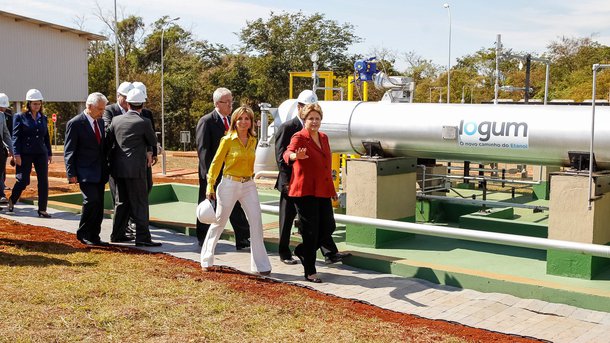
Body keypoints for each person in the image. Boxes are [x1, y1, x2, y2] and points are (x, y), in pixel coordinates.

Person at [274, 90, 349, 265]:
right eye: (305, 106)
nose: (313, 117)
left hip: (313, 185)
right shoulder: (288, 127)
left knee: (319, 221)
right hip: (292, 183)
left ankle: (328, 252)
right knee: (287, 219)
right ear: (299, 107)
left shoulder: (319, 132)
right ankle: (284, 252)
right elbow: (282, 156)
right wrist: (286, 182)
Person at [200, 106, 271, 275]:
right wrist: (210, 186)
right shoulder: (227, 140)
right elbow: (216, 164)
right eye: (240, 118)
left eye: (247, 119)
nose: (243, 122)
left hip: (248, 184)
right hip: (229, 184)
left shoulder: (253, 140)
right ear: (234, 121)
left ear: (251, 122)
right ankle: (206, 258)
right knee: (219, 222)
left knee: (256, 221)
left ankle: (260, 265)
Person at [283, 103, 336, 283]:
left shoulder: (324, 137)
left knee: (329, 226)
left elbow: (326, 166)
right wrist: (294, 157)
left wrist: (332, 190)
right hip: (304, 191)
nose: (314, 121)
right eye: (311, 118)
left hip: (322, 189)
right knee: (310, 231)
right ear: (304, 120)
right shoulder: (299, 137)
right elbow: (287, 152)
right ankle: (310, 271)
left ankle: (303, 251)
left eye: (317, 118)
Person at [195, 88, 250, 249]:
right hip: (212, 173)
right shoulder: (207, 121)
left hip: (231, 173)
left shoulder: (232, 122)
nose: (230, 105)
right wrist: (209, 177)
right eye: (227, 102)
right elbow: (203, 150)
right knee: (208, 205)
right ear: (217, 103)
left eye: (231, 101)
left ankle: (243, 238)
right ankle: (203, 237)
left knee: (235, 205)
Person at [106, 88, 161, 247]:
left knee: (121, 202)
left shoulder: (116, 120)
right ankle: (143, 237)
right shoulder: (144, 122)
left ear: (128, 103)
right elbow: (151, 140)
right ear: (142, 104)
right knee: (140, 203)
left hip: (119, 169)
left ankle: (116, 235)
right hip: (137, 169)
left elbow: (108, 142)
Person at [64, 93, 110, 246]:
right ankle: (83, 233)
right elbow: (69, 150)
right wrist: (71, 173)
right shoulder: (75, 123)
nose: (102, 112)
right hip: (84, 171)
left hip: (100, 171)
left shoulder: (101, 123)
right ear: (89, 106)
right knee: (91, 201)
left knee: (99, 204)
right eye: (99, 109)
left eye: (103, 109)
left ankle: (94, 235)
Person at [7, 89, 52, 217]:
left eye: (39, 104)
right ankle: (12, 200)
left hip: (40, 153)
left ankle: (42, 209)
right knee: (22, 180)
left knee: (43, 181)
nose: (37, 106)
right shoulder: (20, 117)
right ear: (28, 104)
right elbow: (15, 137)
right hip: (25, 153)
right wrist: (16, 155)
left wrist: (49, 153)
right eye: (34, 104)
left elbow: (46, 137)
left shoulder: (43, 118)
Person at [103, 81, 136, 239]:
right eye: (125, 97)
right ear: (118, 96)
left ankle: (126, 225)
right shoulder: (110, 110)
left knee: (128, 196)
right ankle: (120, 229)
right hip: (115, 160)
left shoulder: (133, 110)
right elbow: (108, 130)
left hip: (130, 161)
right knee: (118, 197)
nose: (127, 100)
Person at [0, 93, 13, 205]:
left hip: (0, 150)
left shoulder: (2, 116)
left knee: (0, 173)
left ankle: (1, 195)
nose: (2, 109)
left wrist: (12, 150)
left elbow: (5, 134)